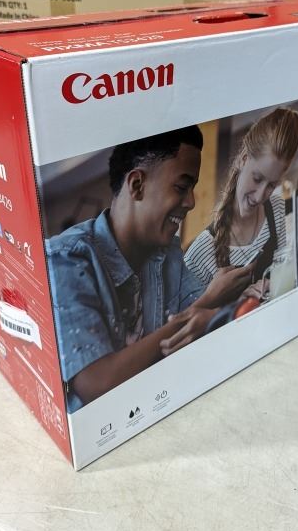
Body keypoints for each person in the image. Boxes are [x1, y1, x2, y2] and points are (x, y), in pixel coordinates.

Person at [46, 126, 249, 412]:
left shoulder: (167, 255)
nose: (191, 202)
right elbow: (97, 383)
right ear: (137, 185)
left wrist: (210, 310)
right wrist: (208, 302)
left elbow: (208, 321)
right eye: (181, 187)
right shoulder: (65, 259)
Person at [185, 108, 298, 296]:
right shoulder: (199, 254)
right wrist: (238, 302)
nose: (260, 196)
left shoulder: (277, 209)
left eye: (272, 185)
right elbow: (190, 313)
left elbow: (281, 278)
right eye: (257, 179)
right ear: (243, 159)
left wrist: (275, 283)